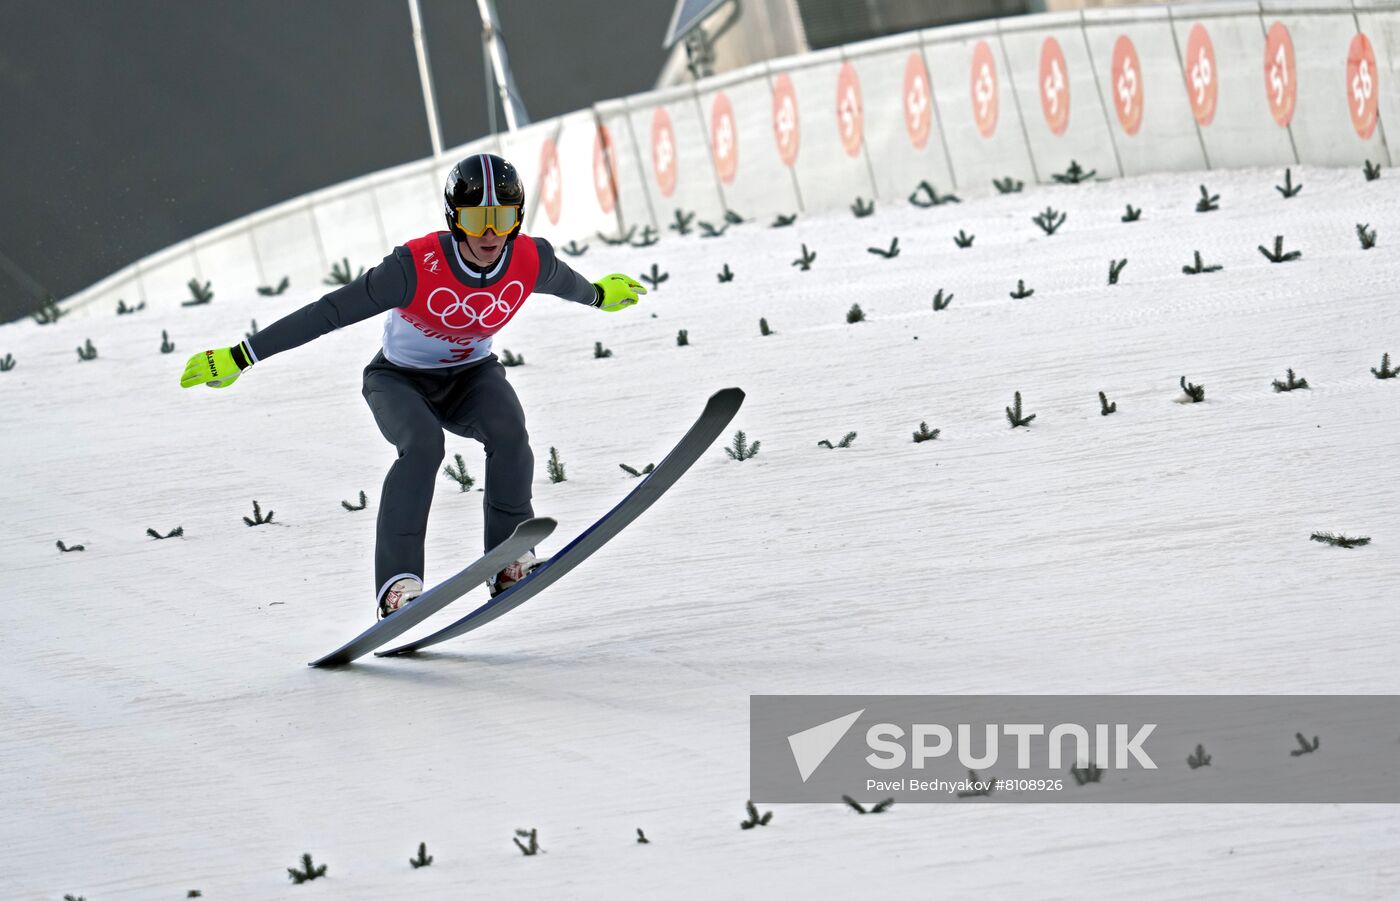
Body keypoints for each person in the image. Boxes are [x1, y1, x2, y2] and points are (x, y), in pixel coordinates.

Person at [180, 153, 646, 619]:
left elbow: (569, 283)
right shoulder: (413, 266)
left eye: (502, 218)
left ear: (517, 217)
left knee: (510, 434)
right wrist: (242, 355)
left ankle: (508, 561)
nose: (489, 234)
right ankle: (397, 585)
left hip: (472, 377)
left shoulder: (529, 259)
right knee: (423, 446)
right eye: (476, 218)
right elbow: (327, 313)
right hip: (398, 381)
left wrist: (600, 296)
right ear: (454, 218)